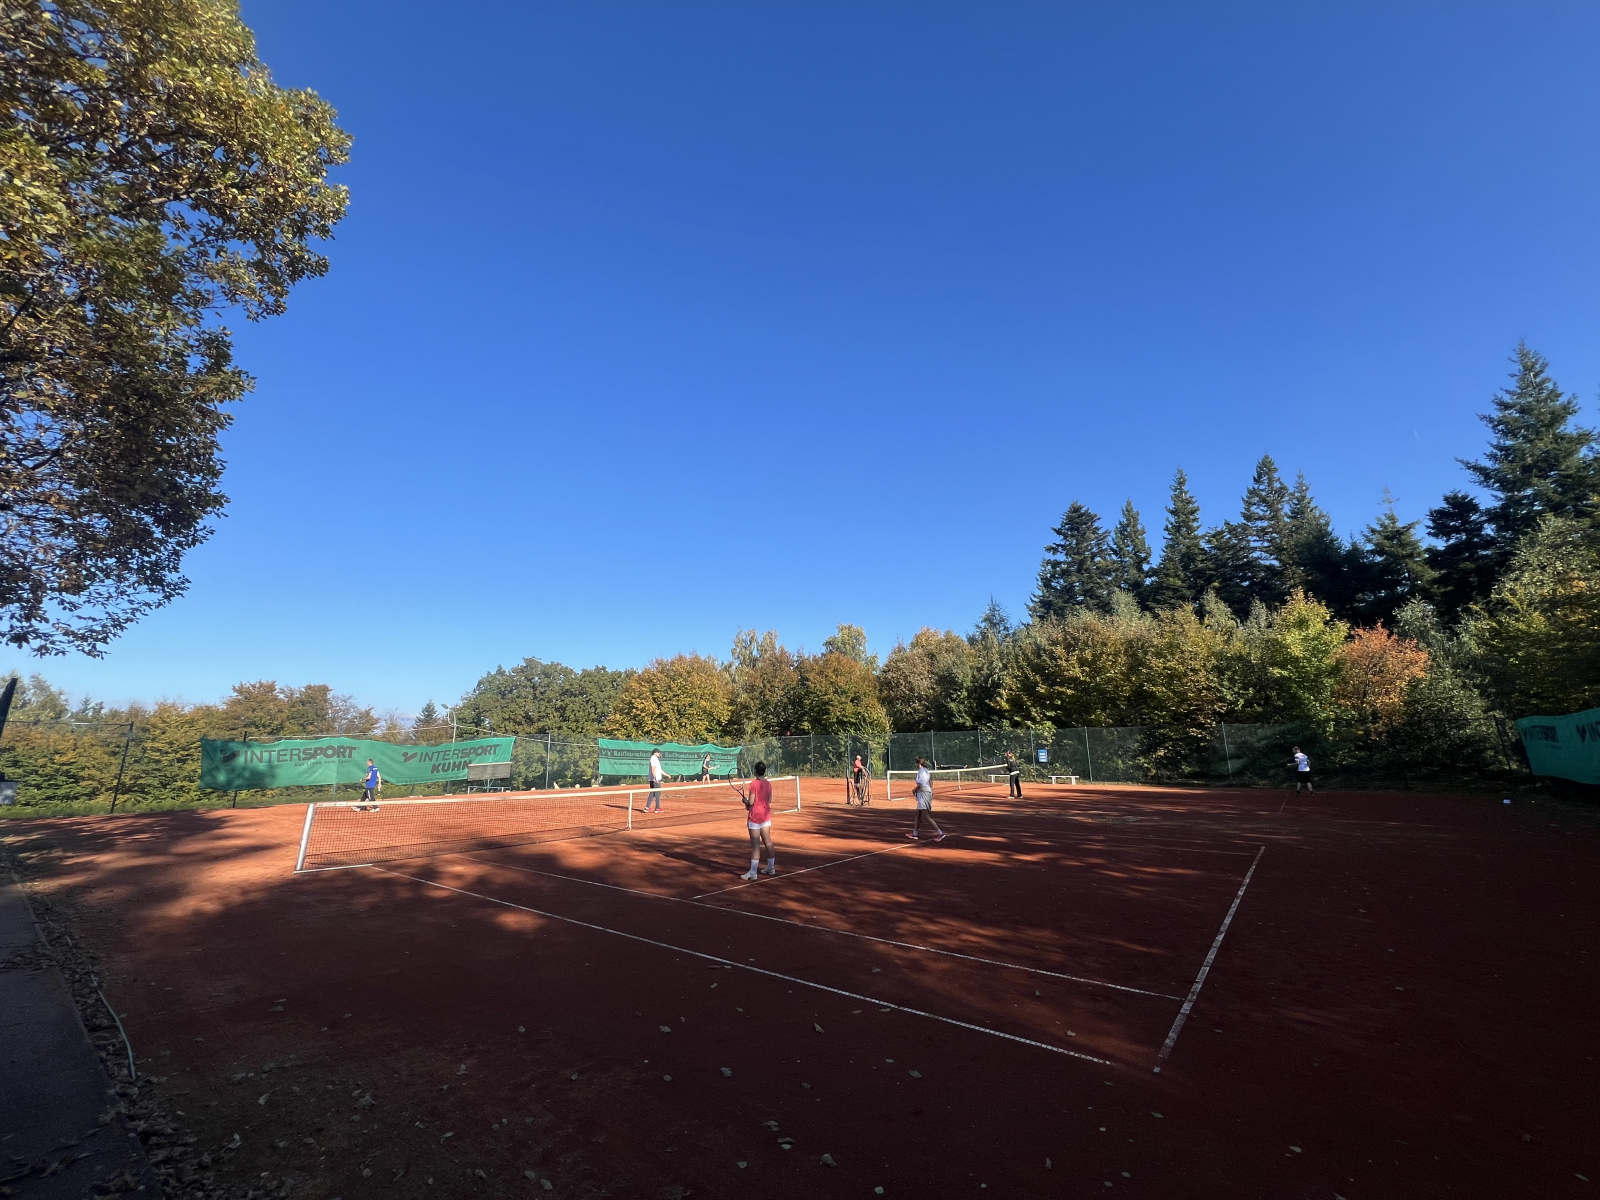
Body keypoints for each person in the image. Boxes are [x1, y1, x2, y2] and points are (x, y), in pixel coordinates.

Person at [739, 761, 777, 880]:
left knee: (755, 845)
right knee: (768, 841)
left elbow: (751, 802)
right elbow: (769, 800)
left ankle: (753, 872)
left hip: (755, 817)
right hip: (765, 816)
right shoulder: (768, 784)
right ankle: (771, 868)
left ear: (755, 771)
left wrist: (745, 802)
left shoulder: (754, 784)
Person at [906, 756, 946, 842]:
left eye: (916, 762)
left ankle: (940, 833)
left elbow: (920, 785)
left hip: (923, 794)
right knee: (918, 814)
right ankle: (915, 833)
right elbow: (931, 782)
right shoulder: (926, 771)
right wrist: (931, 791)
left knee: (926, 815)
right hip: (925, 793)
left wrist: (913, 791)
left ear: (918, 763)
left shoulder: (921, 772)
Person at [645, 747, 665, 812]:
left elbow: (659, 770)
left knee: (653, 793)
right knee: (657, 793)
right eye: (658, 752)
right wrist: (655, 778)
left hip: (654, 779)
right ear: (655, 753)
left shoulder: (655, 759)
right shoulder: (653, 759)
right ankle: (657, 808)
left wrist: (667, 775)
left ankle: (647, 808)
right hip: (655, 779)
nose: (659, 753)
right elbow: (653, 770)